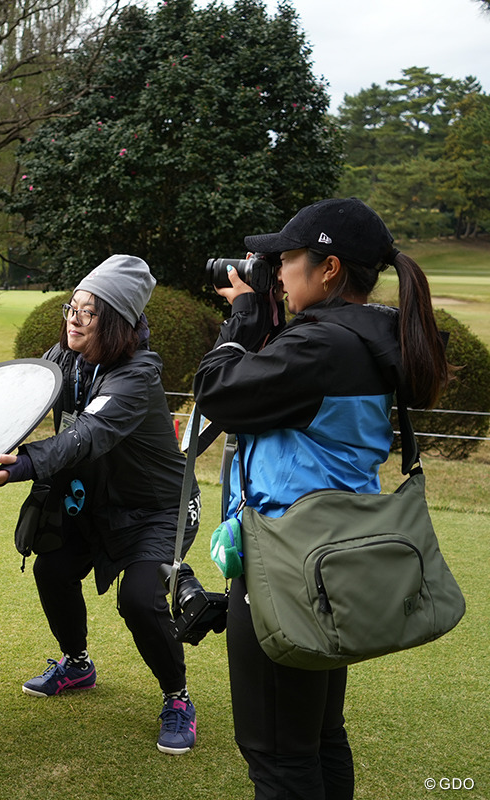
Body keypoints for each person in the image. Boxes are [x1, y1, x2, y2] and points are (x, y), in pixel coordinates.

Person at [193, 198, 448, 799]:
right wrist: (268, 322)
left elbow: (216, 391)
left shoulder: (320, 348)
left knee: (278, 757)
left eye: (285, 259)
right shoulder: (363, 340)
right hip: (333, 563)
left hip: (288, 568)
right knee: (319, 738)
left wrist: (243, 324)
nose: (276, 272)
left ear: (328, 268)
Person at [0, 254, 202, 755]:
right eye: (72, 307)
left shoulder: (137, 374)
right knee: (51, 569)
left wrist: (23, 465)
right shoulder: (65, 358)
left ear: (117, 322)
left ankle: (177, 696)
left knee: (139, 600)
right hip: (91, 501)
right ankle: (78, 666)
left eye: (89, 312)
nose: (74, 318)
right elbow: (12, 397)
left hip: (157, 509)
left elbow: (89, 433)